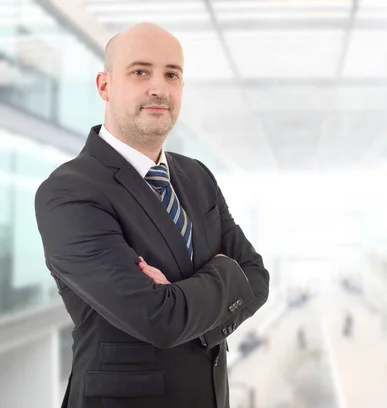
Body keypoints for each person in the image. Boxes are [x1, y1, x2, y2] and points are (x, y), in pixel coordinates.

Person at [34, 22, 269, 408]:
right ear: (105, 85)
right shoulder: (69, 192)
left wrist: (181, 295)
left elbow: (258, 277)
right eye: (140, 71)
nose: (159, 87)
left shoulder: (197, 176)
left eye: (171, 74)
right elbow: (159, 319)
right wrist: (227, 272)